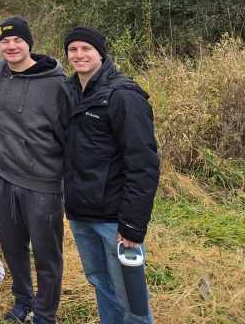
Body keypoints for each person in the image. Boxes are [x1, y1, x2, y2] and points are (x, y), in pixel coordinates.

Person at [63, 27, 160, 324]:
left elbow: (143, 164)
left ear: (101, 53)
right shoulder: (70, 91)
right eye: (73, 49)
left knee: (132, 300)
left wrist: (132, 224)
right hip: (81, 213)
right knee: (100, 284)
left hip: (114, 220)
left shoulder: (123, 96)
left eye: (86, 49)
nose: (79, 55)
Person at [0, 16, 67, 324]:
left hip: (42, 184)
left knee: (47, 255)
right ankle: (23, 301)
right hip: (3, 179)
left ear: (28, 43)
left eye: (17, 40)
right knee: (13, 247)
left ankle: (45, 314)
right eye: (4, 41)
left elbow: (67, 134)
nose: (11, 46)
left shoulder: (55, 82)